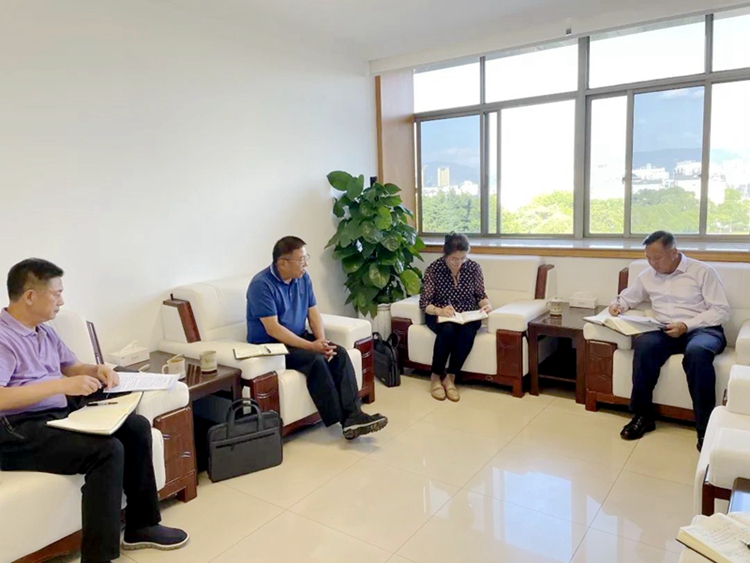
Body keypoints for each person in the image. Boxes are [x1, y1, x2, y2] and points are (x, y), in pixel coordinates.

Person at [0, 258, 188, 563]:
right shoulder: (3, 337)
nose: (62, 301)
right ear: (30, 296)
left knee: (136, 427)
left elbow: (72, 366)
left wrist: (97, 369)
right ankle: (98, 558)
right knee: (107, 451)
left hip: (56, 414)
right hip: (15, 428)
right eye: (57, 293)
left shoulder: (44, 331)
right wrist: (60, 386)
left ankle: (142, 526)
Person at [246, 236, 388, 440]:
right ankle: (344, 420)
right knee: (316, 360)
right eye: (301, 259)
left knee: (338, 353)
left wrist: (322, 342)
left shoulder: (302, 278)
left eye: (306, 258)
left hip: (297, 337)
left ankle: (354, 415)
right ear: (283, 263)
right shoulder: (261, 285)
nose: (305, 264)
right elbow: (273, 329)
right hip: (271, 345)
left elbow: (313, 314)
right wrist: (312, 347)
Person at [609, 231, 730, 451]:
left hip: (703, 329)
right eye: (648, 258)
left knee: (697, 352)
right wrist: (618, 305)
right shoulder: (647, 275)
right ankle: (643, 416)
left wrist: (686, 325)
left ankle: (705, 428)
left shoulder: (702, 271)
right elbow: (628, 297)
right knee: (644, 345)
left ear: (674, 252)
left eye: (658, 258)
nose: (653, 263)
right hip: (665, 329)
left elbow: (721, 311)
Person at [419, 233, 492, 402]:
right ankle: (436, 376)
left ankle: (450, 377)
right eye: (454, 259)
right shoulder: (434, 269)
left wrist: (486, 305)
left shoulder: (473, 268)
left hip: (467, 315)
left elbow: (480, 294)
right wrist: (439, 310)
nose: (458, 262)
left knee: (468, 332)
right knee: (448, 330)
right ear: (446, 254)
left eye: (462, 258)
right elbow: (424, 303)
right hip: (440, 314)